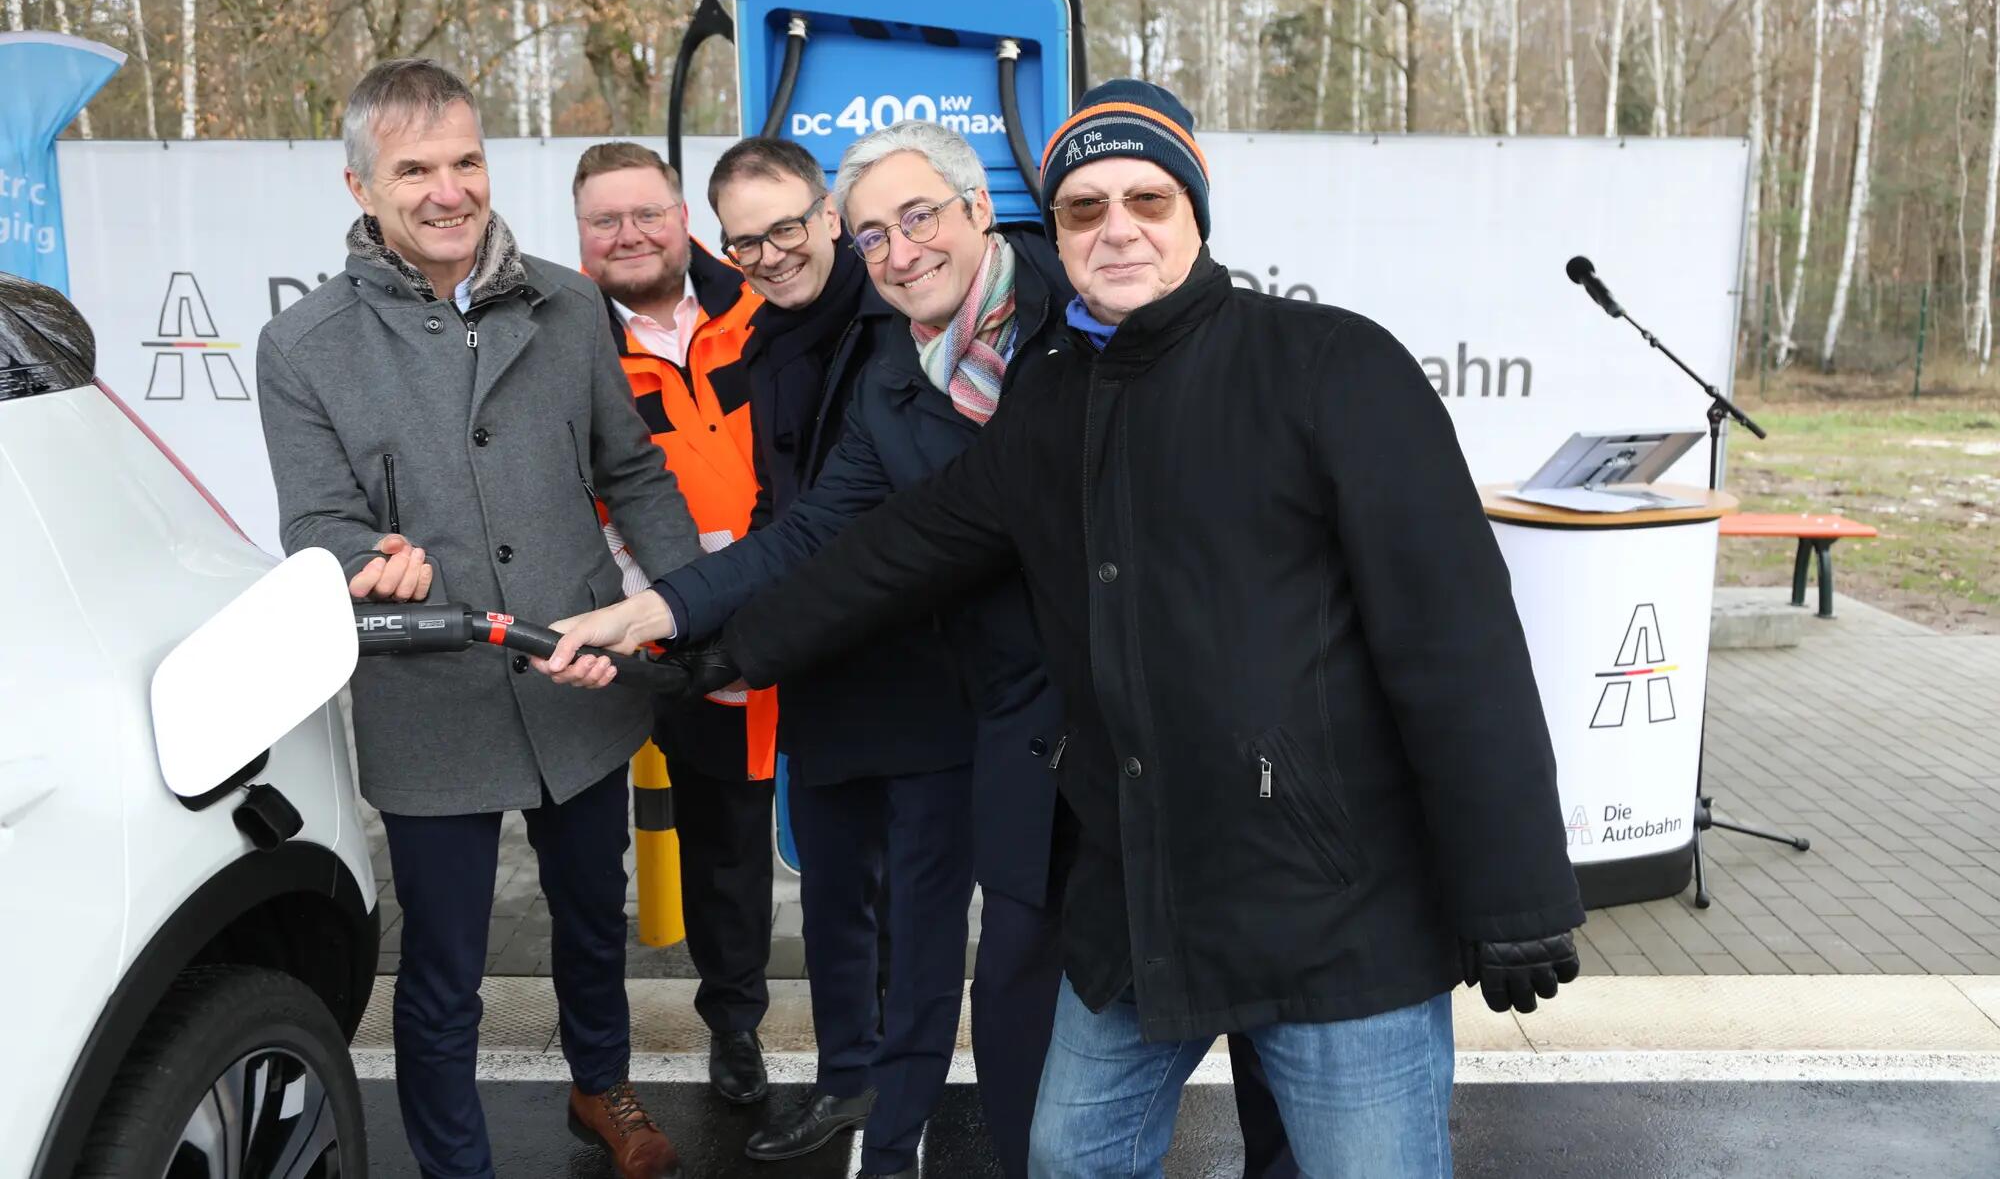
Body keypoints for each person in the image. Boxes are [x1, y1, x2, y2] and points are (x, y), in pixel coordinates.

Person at [551, 81, 1586, 1178]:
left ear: (1193, 212)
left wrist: (1514, 888)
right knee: (1069, 1156)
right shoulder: (1051, 397)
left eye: (1146, 197)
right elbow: (882, 549)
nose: (1117, 227)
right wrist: (704, 647)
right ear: (1056, 228)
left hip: (1330, 902)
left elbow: (1455, 641)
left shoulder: (1331, 365)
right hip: (1134, 885)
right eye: (1085, 208)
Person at [544, 119, 1302, 1177]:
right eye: (874, 238)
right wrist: (666, 615)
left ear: (977, 210)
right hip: (1038, 734)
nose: (899, 253)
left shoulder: (1081, 318)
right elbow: (818, 542)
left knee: (1261, 1006)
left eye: (918, 219)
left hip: (1196, 728)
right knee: (1022, 1022)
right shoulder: (895, 387)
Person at [255, 59, 698, 1179]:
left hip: (583, 679)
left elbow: (633, 472)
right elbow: (316, 520)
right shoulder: (303, 346)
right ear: (361, 185)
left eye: (465, 161)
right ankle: (456, 1162)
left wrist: (684, 603)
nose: (448, 190)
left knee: (591, 918)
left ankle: (600, 1088)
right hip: (431, 702)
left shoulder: (566, 302)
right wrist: (364, 559)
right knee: (443, 962)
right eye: (414, 170)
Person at [701, 135, 988, 1177]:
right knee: (829, 898)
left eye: (786, 227)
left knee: (920, 912)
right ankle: (845, 1080)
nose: (770, 254)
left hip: (924, 666)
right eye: (744, 243)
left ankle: (899, 1125)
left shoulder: (907, 317)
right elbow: (785, 515)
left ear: (827, 216)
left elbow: (893, 525)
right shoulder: (763, 339)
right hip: (817, 667)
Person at [572, 141, 778, 1106]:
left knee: (855, 831)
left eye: (646, 212)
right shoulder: (566, 337)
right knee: (722, 846)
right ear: (580, 235)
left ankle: (881, 1021)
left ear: (681, 213)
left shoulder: (762, 301)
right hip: (667, 635)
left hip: (803, 607)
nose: (629, 235)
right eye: (605, 220)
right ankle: (733, 1027)